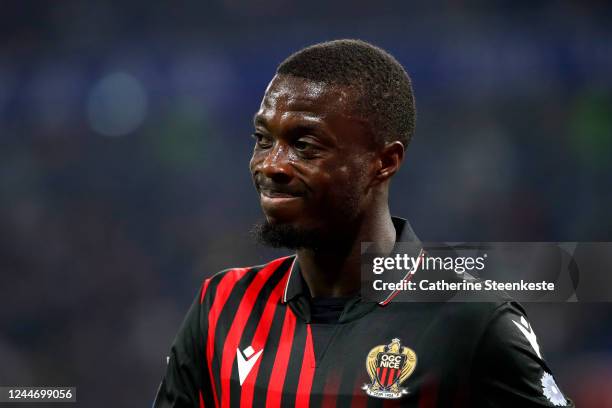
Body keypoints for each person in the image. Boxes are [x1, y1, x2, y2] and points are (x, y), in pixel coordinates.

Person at [153, 39, 573, 407]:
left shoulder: (470, 319)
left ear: (384, 162)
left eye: (304, 144)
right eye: (263, 139)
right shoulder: (222, 306)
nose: (271, 165)